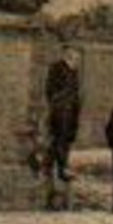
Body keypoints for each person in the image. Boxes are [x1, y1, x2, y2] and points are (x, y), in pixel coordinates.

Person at [43, 46, 83, 183]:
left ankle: (49, 166)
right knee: (59, 140)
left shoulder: (74, 71)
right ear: (67, 55)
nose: (78, 60)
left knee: (65, 140)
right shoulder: (56, 68)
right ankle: (60, 169)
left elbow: (76, 92)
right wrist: (59, 103)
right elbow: (50, 90)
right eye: (75, 57)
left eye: (78, 58)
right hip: (60, 111)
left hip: (72, 111)